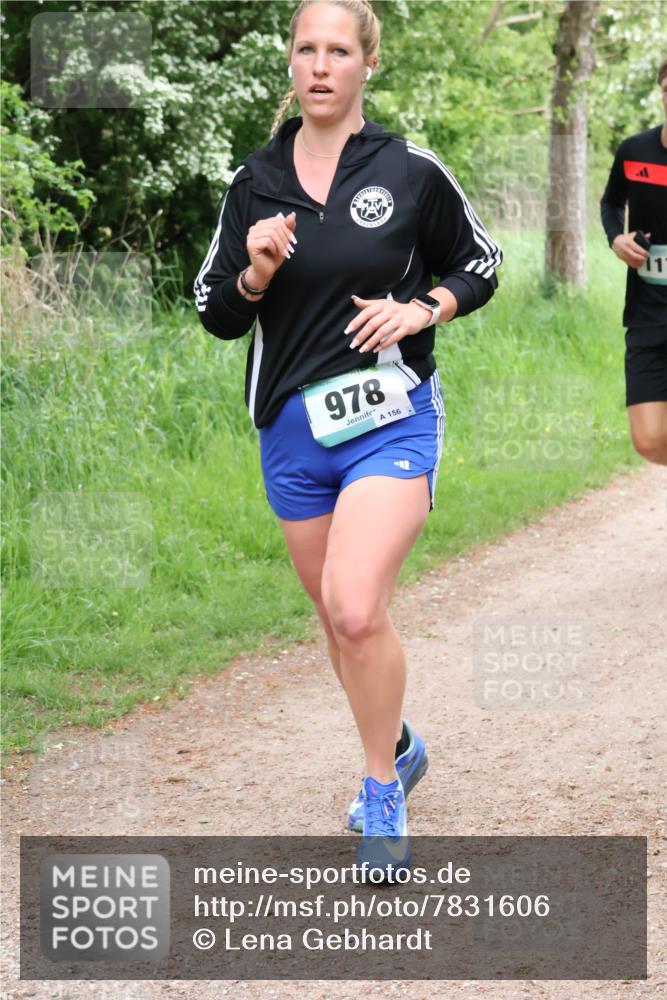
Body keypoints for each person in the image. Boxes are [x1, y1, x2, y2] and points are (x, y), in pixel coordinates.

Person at [194, 0, 501, 877]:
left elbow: (479, 263)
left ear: (368, 64)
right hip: (292, 433)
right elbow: (215, 310)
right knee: (337, 618)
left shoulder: (408, 170)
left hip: (391, 420)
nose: (321, 65)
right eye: (306, 49)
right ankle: (397, 742)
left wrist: (422, 308)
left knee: (356, 604)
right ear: (290, 64)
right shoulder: (254, 181)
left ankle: (380, 790)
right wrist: (255, 272)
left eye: (338, 50)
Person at [600, 58, 667, 465]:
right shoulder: (635, 151)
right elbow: (611, 202)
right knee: (648, 440)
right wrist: (617, 239)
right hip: (646, 314)